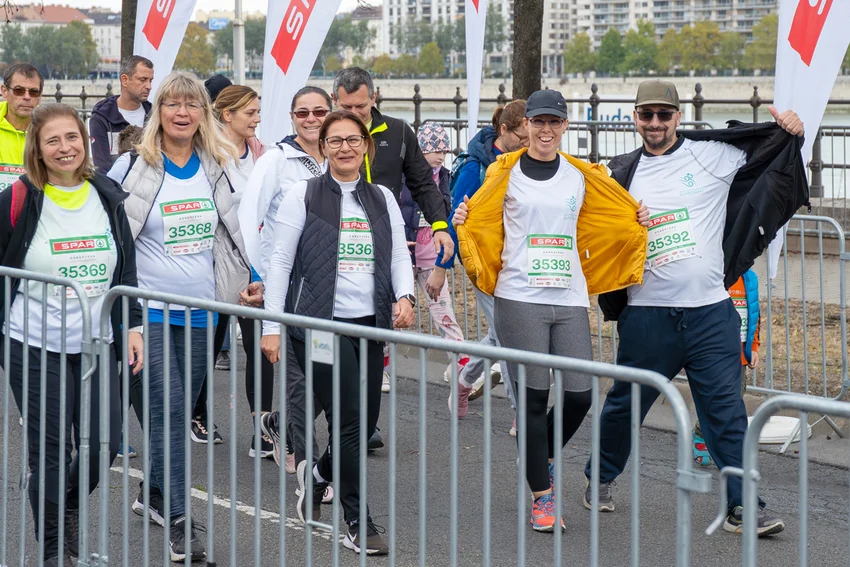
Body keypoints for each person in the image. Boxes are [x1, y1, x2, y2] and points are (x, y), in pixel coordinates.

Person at [589, 79, 808, 537]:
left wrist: (792, 130)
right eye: (646, 115)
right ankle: (601, 476)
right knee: (624, 407)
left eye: (663, 115)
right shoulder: (618, 174)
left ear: (678, 117)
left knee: (726, 411)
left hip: (710, 312)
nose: (655, 123)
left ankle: (742, 506)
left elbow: (772, 150)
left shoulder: (712, 156)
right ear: (634, 118)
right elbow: (582, 218)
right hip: (647, 316)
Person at [453, 89, 650, 533]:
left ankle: (537, 455)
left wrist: (634, 221)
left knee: (581, 393)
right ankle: (542, 496)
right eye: (538, 122)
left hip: (568, 295)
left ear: (565, 126)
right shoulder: (504, 173)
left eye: (553, 122)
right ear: (527, 128)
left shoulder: (581, 175)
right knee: (535, 396)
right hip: (519, 295)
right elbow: (480, 216)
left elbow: (607, 215)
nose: (545, 130)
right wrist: (465, 219)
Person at [108, 72, 252, 562]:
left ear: (203, 113)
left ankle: (152, 492)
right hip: (147, 311)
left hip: (202, 311)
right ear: (159, 111)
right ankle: (178, 522)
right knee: (169, 413)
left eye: (192, 105)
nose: (183, 113)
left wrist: (250, 279)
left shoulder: (219, 165)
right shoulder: (134, 165)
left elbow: (237, 229)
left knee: (178, 410)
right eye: (173, 104)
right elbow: (105, 223)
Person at [260, 110, 415, 555]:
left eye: (353, 140)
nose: (344, 148)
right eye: (335, 141)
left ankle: (319, 475)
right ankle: (356, 518)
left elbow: (399, 258)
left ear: (366, 146)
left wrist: (404, 296)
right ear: (323, 147)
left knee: (363, 423)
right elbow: (279, 264)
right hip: (318, 327)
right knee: (349, 420)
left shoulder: (382, 197)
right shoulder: (302, 196)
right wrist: (272, 326)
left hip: (370, 326)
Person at [0, 103, 144, 566]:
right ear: (38, 151)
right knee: (51, 449)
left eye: (72, 138)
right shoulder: (18, 199)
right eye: (53, 141)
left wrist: (134, 324)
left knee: (104, 445)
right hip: (32, 341)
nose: (65, 148)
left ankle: (56, 498)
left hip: (97, 343)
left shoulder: (106, 194)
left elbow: (126, 265)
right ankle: (57, 551)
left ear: (84, 142)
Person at [332, 67, 453, 448]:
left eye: (361, 106)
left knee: (374, 340)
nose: (354, 113)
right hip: (339, 249)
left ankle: (361, 426)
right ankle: (316, 421)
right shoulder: (330, 135)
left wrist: (439, 224)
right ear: (335, 101)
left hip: (385, 248)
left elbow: (421, 182)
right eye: (346, 106)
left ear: (375, 97)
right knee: (334, 347)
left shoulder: (399, 132)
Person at [243, 86, 332, 480]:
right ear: (292, 118)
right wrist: (260, 274)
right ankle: (309, 469)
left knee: (329, 371)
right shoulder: (277, 160)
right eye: (303, 113)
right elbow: (250, 218)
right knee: (300, 373)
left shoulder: (340, 153)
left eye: (319, 112)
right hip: (290, 284)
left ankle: (281, 422)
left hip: (331, 285)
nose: (311, 119)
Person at [188, 84, 273, 458]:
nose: (257, 119)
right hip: (216, 259)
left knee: (262, 345)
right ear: (227, 115)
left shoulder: (261, 152)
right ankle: (197, 413)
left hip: (255, 258)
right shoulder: (206, 154)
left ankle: (263, 428)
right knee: (209, 340)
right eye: (250, 113)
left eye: (257, 112)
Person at [446, 101, 527, 427]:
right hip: (483, 262)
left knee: (499, 332)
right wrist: (442, 264)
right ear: (503, 130)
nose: (528, 141)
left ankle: (466, 378)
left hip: (518, 260)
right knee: (508, 336)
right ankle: (520, 413)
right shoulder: (474, 168)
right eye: (522, 136)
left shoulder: (525, 160)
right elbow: (455, 218)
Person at [395, 122, 468, 398]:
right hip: (403, 252)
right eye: (435, 150)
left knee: (444, 310)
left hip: (432, 256)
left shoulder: (446, 177)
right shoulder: (404, 178)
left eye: (444, 150)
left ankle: (462, 362)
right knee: (395, 312)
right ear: (420, 150)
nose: (440, 155)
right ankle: (385, 366)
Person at [694, 269, 760, 465]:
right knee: (718, 401)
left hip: (739, 355)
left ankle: (726, 447)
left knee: (737, 397)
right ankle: (701, 434)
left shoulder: (749, 278)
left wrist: (753, 346)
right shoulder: (716, 275)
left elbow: (754, 312)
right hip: (717, 353)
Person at [89, 55, 153, 171]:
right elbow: (103, 169)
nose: (149, 86)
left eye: (150, 80)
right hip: (115, 186)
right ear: (124, 80)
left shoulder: (155, 116)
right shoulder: (101, 119)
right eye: (142, 80)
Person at [0, 63, 43, 191]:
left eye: (34, 92)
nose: (27, 97)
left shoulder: (50, 129)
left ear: (40, 96)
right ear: (4, 91)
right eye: (19, 90)